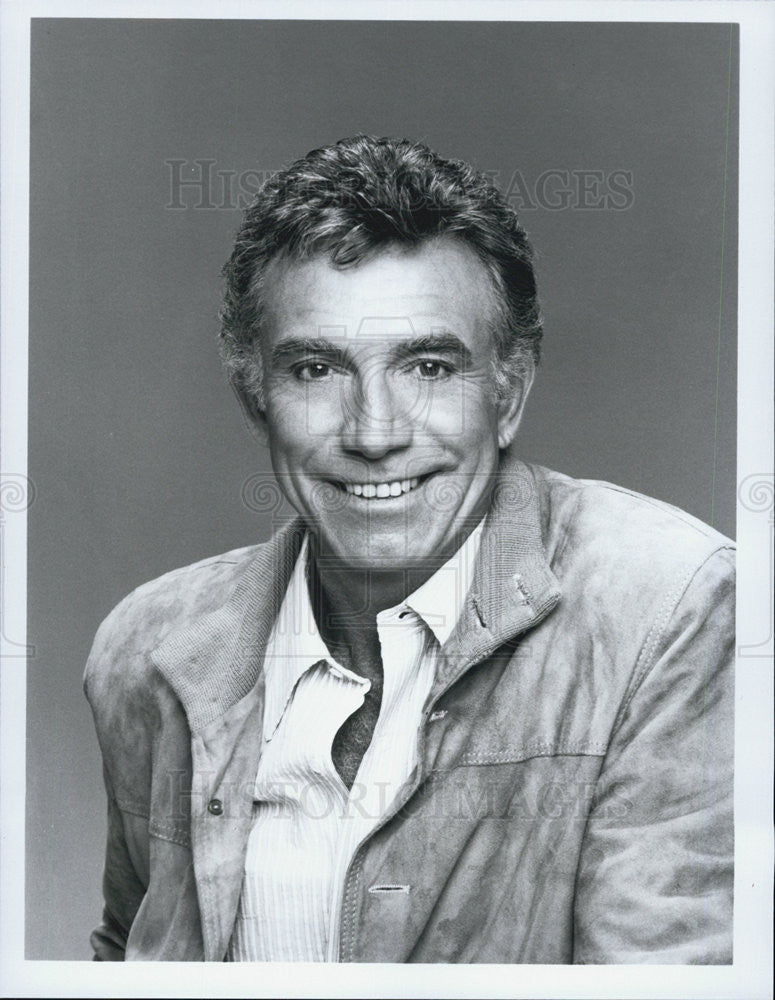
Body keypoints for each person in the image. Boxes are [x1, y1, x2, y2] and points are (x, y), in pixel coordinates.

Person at [84, 134, 734, 963]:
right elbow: (125, 959)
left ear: (508, 392)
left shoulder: (670, 610)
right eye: (316, 370)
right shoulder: (147, 650)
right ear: (257, 398)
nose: (374, 432)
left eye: (428, 366)